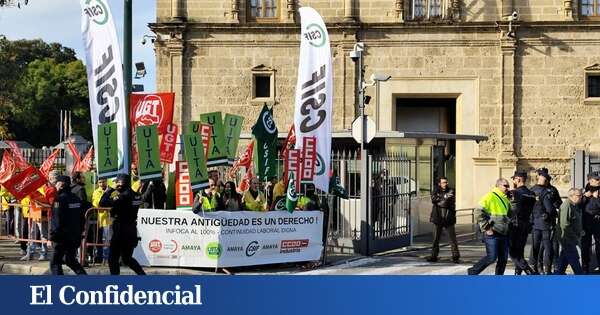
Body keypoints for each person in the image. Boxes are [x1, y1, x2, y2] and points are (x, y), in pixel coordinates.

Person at [99, 174, 145, 275]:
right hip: (131, 229)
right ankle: (143, 276)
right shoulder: (135, 195)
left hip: (121, 229)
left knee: (113, 258)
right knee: (127, 258)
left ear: (121, 183)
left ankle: (116, 282)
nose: (115, 184)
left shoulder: (121, 195)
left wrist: (109, 191)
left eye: (117, 182)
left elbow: (102, 203)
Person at [467, 178, 512, 275]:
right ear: (498, 186)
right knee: (491, 257)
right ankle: (472, 271)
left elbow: (509, 215)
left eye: (508, 186)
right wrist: (487, 228)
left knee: (503, 259)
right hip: (492, 232)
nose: (508, 188)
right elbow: (477, 211)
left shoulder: (505, 198)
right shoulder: (490, 196)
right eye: (505, 186)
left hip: (503, 233)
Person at [49, 176, 87, 275]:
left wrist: (53, 236)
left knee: (55, 262)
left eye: (56, 184)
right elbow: (82, 217)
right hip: (74, 235)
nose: (55, 186)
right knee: (70, 260)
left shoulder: (59, 200)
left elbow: (57, 220)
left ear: (61, 185)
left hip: (61, 237)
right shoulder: (76, 198)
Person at [508, 171, 537, 275]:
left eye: (514, 179)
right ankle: (517, 273)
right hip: (526, 224)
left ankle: (528, 270)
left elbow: (511, 209)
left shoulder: (514, 193)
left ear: (518, 179)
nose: (513, 181)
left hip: (515, 225)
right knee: (519, 251)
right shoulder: (532, 194)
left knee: (512, 252)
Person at [529, 170, 558, 274]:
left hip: (536, 223)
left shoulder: (531, 190)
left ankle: (534, 267)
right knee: (547, 246)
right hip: (546, 224)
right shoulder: (548, 191)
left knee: (537, 246)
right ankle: (545, 269)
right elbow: (551, 208)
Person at [426, 177, 459, 263]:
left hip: (449, 217)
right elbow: (434, 200)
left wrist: (441, 199)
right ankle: (434, 255)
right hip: (437, 217)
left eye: (446, 182)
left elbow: (447, 203)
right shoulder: (435, 191)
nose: (445, 184)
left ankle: (455, 256)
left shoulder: (451, 190)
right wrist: (444, 197)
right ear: (439, 184)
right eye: (443, 182)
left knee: (452, 238)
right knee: (436, 238)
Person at [555, 188, 584, 275]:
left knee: (564, 259)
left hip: (570, 238)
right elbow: (564, 225)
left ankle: (558, 275)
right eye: (579, 196)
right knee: (574, 259)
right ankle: (580, 277)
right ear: (572, 196)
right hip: (567, 238)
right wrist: (574, 236)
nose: (581, 197)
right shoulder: (566, 206)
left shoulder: (573, 205)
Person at [582, 174, 600, 274]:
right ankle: (585, 267)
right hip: (586, 222)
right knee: (585, 245)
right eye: (596, 179)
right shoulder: (583, 191)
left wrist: (596, 198)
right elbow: (578, 205)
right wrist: (584, 196)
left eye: (599, 179)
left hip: (598, 222)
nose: (598, 181)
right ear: (590, 181)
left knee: (599, 245)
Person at [91, 178, 111, 263]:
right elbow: (97, 204)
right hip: (100, 219)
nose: (102, 184)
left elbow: (112, 202)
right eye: (99, 182)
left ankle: (107, 259)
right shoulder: (96, 192)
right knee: (101, 239)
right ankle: (101, 258)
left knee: (108, 239)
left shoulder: (112, 190)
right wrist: (105, 196)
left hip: (110, 219)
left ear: (106, 181)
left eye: (103, 182)